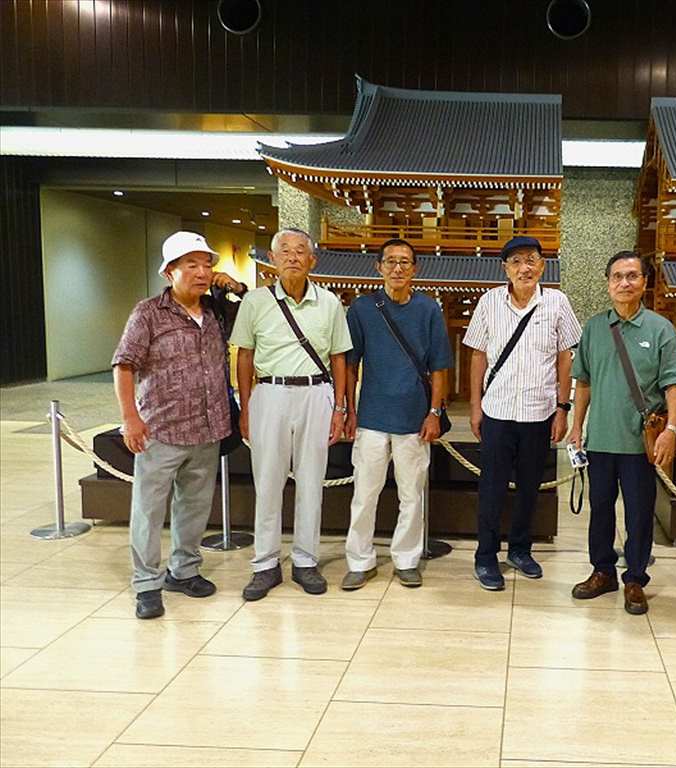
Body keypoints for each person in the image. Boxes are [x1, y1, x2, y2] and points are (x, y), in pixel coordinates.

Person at [112, 231, 239, 619]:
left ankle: (184, 571)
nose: (202, 272)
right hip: (161, 430)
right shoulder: (148, 313)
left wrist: (235, 289)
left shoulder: (217, 311)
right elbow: (124, 365)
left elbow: (252, 320)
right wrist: (130, 418)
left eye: (207, 264)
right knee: (149, 511)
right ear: (169, 271)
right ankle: (147, 583)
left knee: (195, 507)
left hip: (208, 428)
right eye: (191, 264)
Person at [230, 228, 352, 600]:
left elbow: (339, 358)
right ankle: (265, 564)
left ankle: (305, 560)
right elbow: (245, 356)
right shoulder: (255, 302)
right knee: (268, 481)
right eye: (285, 251)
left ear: (312, 260)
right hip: (270, 393)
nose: (293, 257)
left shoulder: (329, 303)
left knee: (311, 481)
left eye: (301, 251)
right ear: (272, 259)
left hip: (317, 393)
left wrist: (340, 408)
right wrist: (246, 406)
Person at [568, 250, 676, 615]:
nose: (624, 283)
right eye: (617, 276)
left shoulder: (660, 329)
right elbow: (583, 382)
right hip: (601, 439)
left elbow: (674, 384)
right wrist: (576, 426)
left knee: (639, 513)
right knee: (600, 510)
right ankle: (602, 571)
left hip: (640, 443)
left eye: (632, 276)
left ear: (644, 282)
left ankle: (635, 578)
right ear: (608, 284)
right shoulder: (594, 328)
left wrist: (671, 429)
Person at [463, 235, 582, 590]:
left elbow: (565, 358)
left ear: (542, 266)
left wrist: (563, 408)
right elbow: (478, 355)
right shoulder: (489, 302)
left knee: (530, 487)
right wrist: (475, 406)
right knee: (492, 488)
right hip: (497, 411)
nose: (524, 268)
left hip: (539, 412)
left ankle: (520, 549)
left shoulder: (557, 303)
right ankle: (486, 556)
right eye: (516, 262)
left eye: (531, 260)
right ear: (505, 269)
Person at [340, 239, 452, 590]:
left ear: (415, 269)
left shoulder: (428, 309)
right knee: (364, 493)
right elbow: (350, 364)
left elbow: (439, 367)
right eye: (391, 261)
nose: (398, 268)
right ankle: (359, 560)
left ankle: (406, 559)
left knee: (411, 495)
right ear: (379, 267)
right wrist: (348, 409)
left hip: (414, 418)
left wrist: (434, 412)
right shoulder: (362, 308)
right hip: (372, 415)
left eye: (405, 262)